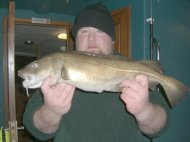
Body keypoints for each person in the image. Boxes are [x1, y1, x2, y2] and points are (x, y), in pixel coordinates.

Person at [23, 3, 170, 142]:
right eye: (84, 31)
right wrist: (51, 111)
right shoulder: (53, 78)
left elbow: (159, 127)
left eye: (100, 30)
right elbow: (36, 129)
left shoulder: (133, 70)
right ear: (76, 39)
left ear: (112, 40)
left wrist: (144, 110)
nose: (91, 38)